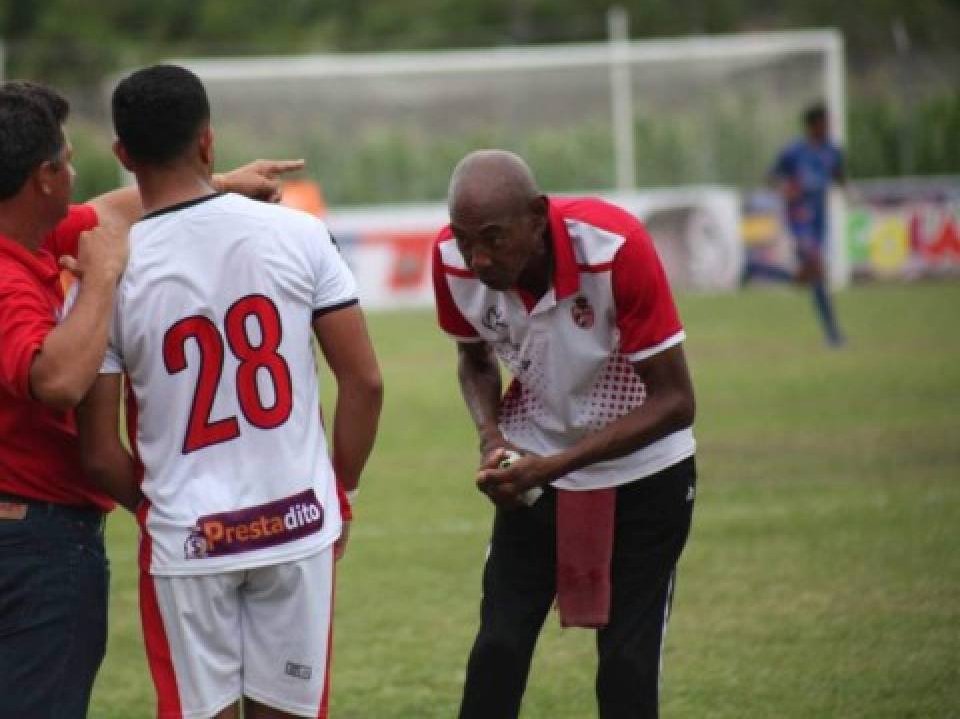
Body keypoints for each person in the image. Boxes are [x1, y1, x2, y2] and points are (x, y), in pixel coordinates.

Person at [0, 79, 303, 718]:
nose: (74, 172)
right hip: (31, 544)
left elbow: (113, 211)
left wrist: (219, 184)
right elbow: (59, 381)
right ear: (43, 177)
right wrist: (100, 277)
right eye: (67, 160)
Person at [77, 64, 383, 719]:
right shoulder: (299, 232)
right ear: (210, 143)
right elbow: (364, 380)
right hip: (298, 523)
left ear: (123, 154)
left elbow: (100, 453)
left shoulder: (111, 272)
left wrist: (164, 512)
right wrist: (342, 495)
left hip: (190, 542)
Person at [431, 150, 697, 719]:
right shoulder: (450, 261)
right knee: (498, 648)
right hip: (534, 468)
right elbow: (473, 357)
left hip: (646, 474)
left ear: (536, 216)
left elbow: (676, 401)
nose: (476, 258)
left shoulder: (614, 248)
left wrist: (552, 468)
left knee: (627, 666)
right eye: (462, 238)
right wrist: (490, 438)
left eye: (494, 239)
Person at [748, 103, 847, 346]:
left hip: (820, 222)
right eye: (824, 122)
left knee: (810, 278)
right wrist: (786, 189)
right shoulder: (793, 152)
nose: (828, 127)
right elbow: (770, 177)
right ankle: (833, 334)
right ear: (812, 125)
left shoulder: (832, 151)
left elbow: (839, 176)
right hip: (800, 218)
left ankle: (759, 270)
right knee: (817, 269)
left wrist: (846, 187)